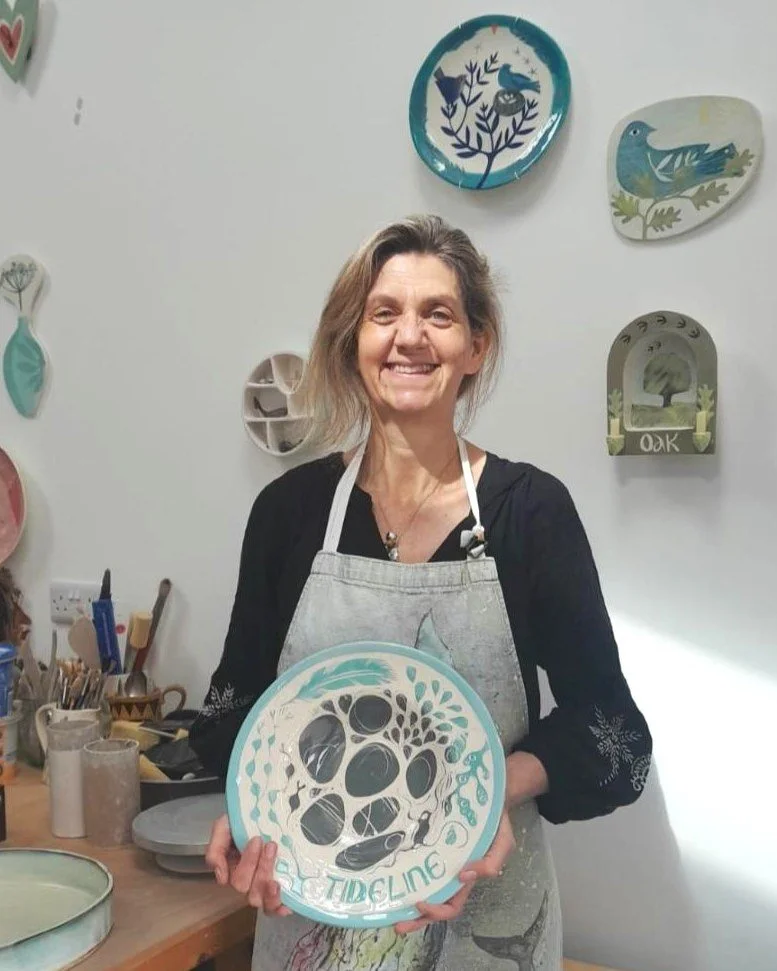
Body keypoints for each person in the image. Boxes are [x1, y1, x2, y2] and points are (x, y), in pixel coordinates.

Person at [190, 215, 652, 971]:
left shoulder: (530, 512)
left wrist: (488, 796)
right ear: (353, 341)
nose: (409, 337)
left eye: (437, 314)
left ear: (477, 346)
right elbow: (233, 709)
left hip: (486, 921)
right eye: (384, 314)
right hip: (313, 912)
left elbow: (615, 734)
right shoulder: (288, 513)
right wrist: (247, 815)